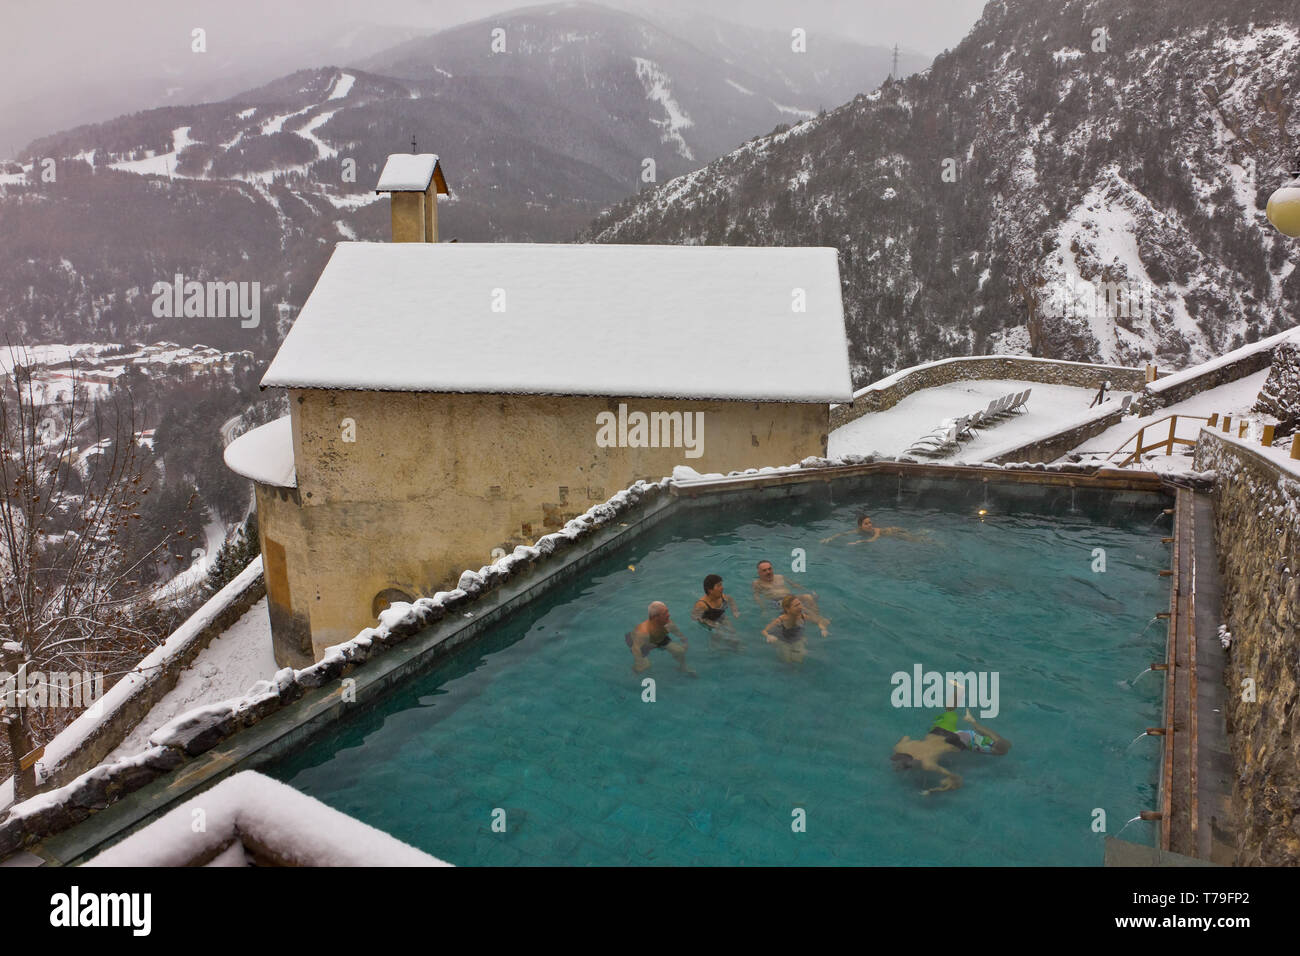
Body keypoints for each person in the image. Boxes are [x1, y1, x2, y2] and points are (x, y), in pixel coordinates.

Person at [891, 708, 1011, 795]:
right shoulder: (900, 747)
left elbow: (957, 778)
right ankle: (960, 695)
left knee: (1002, 749)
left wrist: (948, 784)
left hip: (959, 740)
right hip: (939, 731)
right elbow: (905, 737)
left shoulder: (928, 764)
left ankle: (974, 723)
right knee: (950, 710)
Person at [626, 601, 695, 675]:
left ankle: (683, 667)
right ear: (656, 617)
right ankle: (635, 673)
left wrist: (684, 641)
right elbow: (635, 648)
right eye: (665, 613)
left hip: (659, 639)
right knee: (645, 665)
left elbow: (677, 632)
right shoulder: (643, 632)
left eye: (667, 611)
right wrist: (639, 662)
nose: (669, 615)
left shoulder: (668, 623)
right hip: (643, 644)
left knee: (679, 651)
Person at [752, 559, 826, 621]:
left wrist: (809, 592)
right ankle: (818, 620)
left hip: (790, 598)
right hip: (777, 602)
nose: (768, 572)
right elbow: (757, 596)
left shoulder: (780, 577)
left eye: (769, 569)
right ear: (759, 572)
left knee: (808, 597)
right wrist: (763, 609)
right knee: (797, 606)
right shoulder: (757, 583)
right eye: (764, 570)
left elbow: (795, 585)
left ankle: (817, 617)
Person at [763, 595, 829, 664]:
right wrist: (768, 636)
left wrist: (823, 629)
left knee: (798, 661)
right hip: (783, 640)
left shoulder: (802, 616)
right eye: (796, 605)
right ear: (788, 609)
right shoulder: (781, 619)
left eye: (800, 603)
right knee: (787, 660)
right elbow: (764, 631)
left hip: (797, 638)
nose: (800, 607)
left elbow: (818, 621)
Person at [691, 574, 742, 648]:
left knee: (733, 633)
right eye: (719, 586)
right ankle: (714, 649)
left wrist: (735, 611)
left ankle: (735, 647)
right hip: (709, 619)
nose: (722, 588)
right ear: (710, 590)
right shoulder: (702, 604)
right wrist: (708, 622)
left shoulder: (722, 597)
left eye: (721, 585)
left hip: (721, 616)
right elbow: (694, 617)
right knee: (718, 635)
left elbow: (731, 600)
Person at [820, 514, 922, 544]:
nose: (869, 525)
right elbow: (843, 534)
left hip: (894, 532)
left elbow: (874, 539)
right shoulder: (858, 530)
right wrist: (829, 538)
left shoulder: (876, 530)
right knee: (915, 536)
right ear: (860, 526)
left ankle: (923, 535)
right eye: (866, 524)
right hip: (892, 532)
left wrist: (858, 542)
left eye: (870, 522)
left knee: (915, 539)